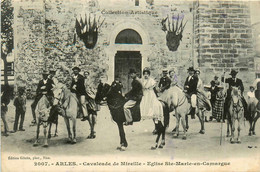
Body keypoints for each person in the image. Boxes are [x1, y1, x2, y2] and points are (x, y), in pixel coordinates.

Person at [84, 71, 98, 139]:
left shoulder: (91, 82)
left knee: (94, 116)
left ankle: (94, 130)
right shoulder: (83, 81)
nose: (86, 75)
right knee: (89, 116)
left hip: (92, 99)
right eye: (85, 74)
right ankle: (91, 130)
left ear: (88, 75)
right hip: (87, 99)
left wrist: (92, 95)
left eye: (87, 74)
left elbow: (94, 90)